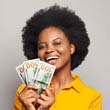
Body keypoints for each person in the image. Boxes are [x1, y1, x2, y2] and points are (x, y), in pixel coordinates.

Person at [14, 5, 102, 110]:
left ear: (71, 48)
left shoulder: (92, 97)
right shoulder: (25, 92)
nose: (49, 50)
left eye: (57, 43)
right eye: (42, 46)